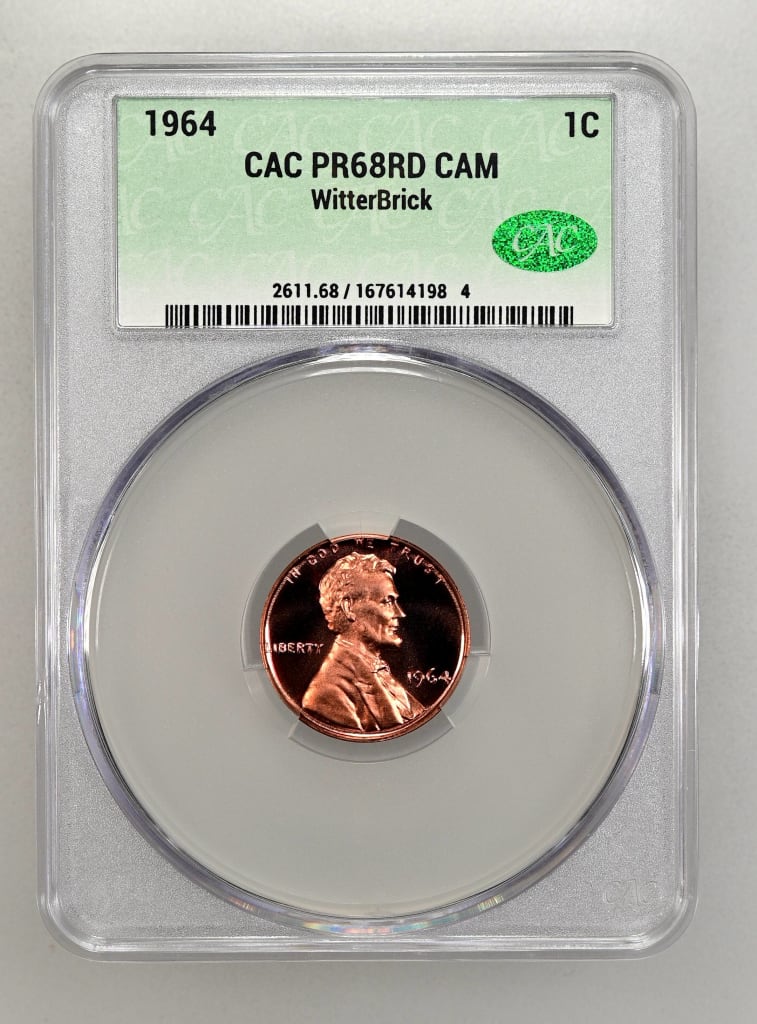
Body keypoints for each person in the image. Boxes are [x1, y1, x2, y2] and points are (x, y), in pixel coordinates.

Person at [302, 552, 424, 733]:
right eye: (387, 602)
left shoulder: (377, 671)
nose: (400, 613)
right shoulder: (326, 694)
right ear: (349, 607)